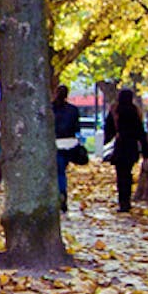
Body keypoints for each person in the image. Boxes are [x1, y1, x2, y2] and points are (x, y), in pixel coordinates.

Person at [103, 89, 148, 213]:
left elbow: (108, 128)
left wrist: (107, 142)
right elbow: (141, 132)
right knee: (128, 173)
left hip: (119, 145)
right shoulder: (135, 111)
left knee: (120, 174)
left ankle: (122, 200)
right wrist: (146, 152)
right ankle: (127, 200)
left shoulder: (115, 111)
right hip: (131, 146)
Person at [52, 84, 82, 212]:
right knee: (62, 170)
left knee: (58, 171)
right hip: (69, 144)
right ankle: (62, 193)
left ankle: (61, 192)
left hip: (55, 143)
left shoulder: (50, 109)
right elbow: (77, 128)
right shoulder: (73, 110)